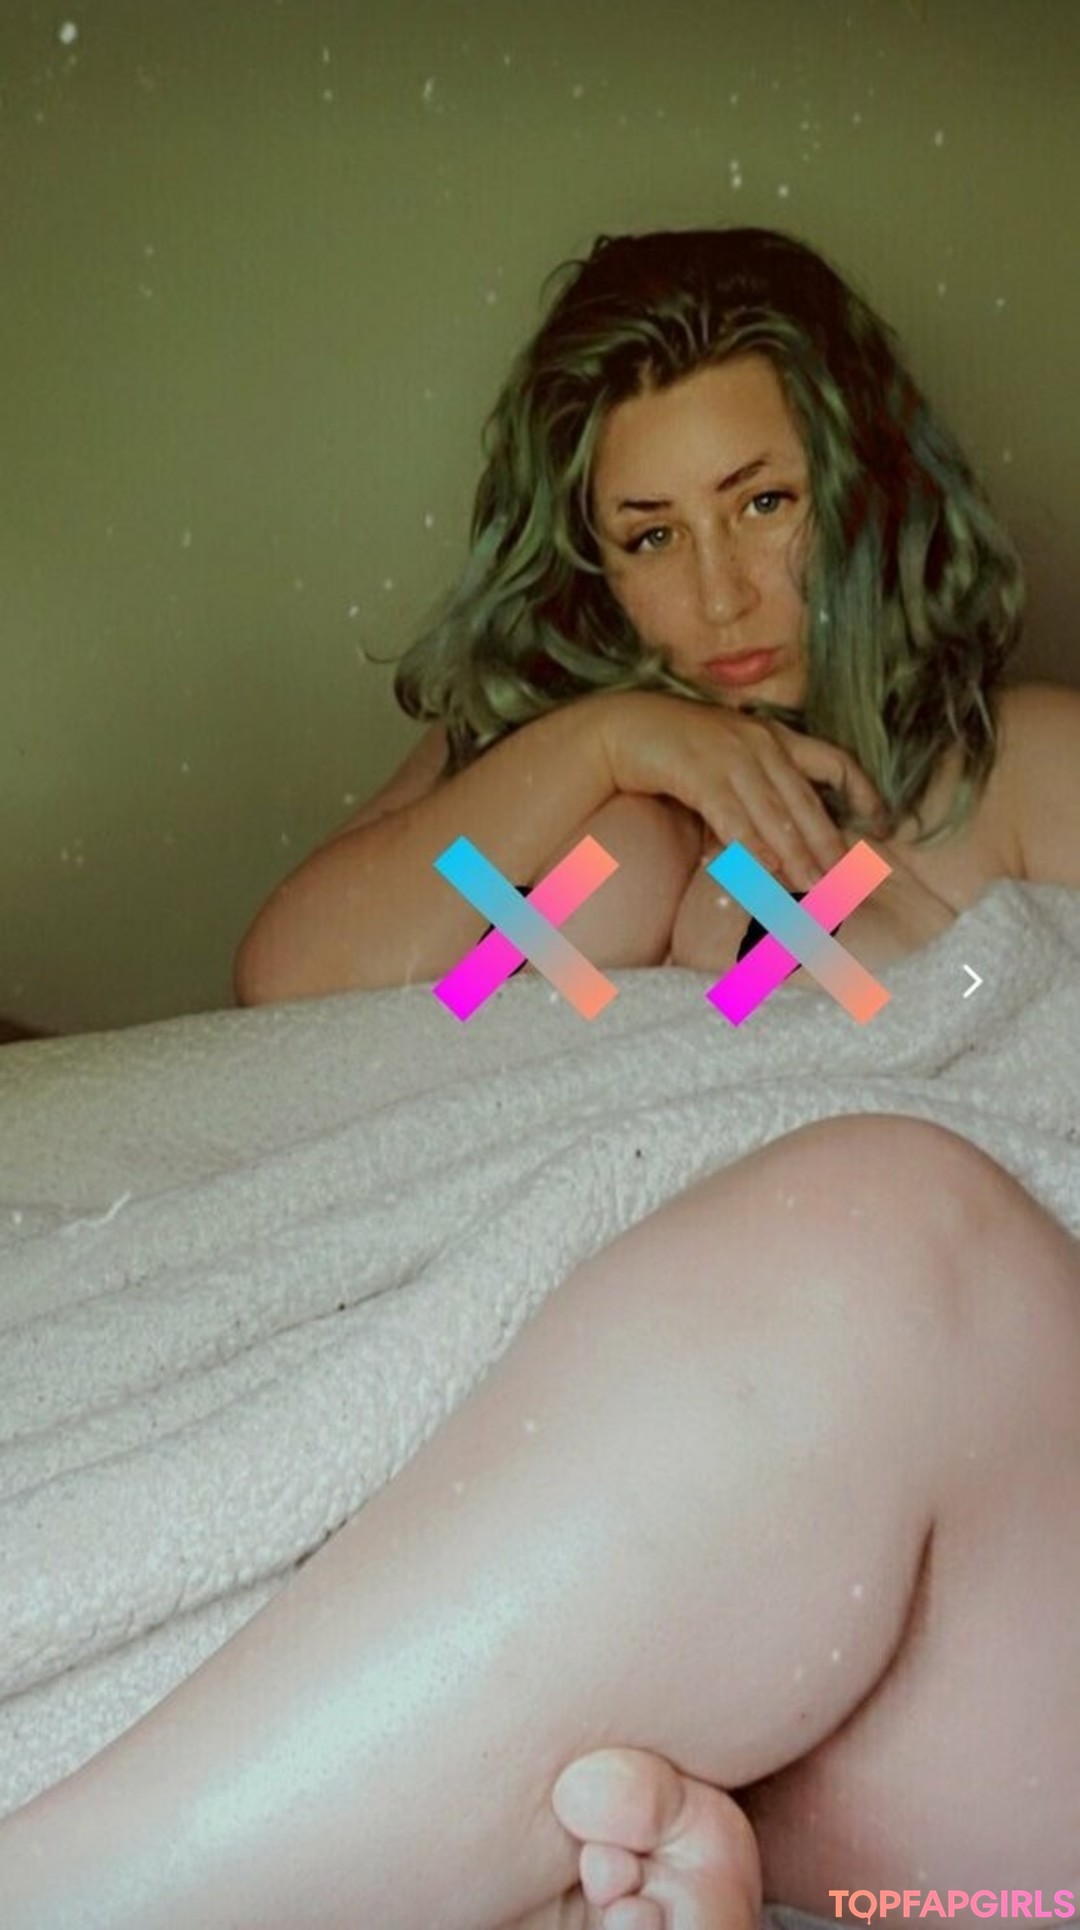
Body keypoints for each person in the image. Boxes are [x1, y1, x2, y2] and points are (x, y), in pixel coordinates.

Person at [3, 228, 1079, 1930]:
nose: (718, 593)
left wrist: (843, 924)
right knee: (615, 880)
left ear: (866, 488)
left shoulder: (1010, 768)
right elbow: (302, 995)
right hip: (529, 1358)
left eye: (764, 503)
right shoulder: (554, 785)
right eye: (650, 536)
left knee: (853, 1169)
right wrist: (608, 746)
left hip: (856, 1407)